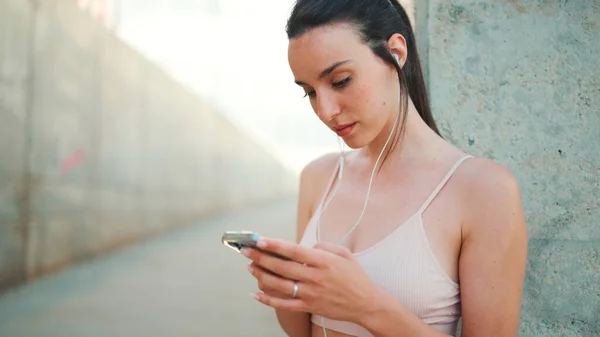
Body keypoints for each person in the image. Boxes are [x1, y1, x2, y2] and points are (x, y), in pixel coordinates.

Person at [240, 0, 528, 336]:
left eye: (341, 80)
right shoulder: (319, 177)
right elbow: (303, 331)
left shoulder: (482, 190)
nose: (325, 111)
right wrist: (283, 287)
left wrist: (367, 306)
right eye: (310, 93)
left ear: (395, 52)